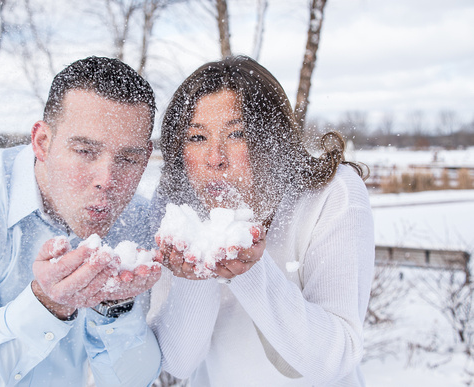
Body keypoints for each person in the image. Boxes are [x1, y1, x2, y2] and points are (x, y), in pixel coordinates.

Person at [0, 56, 162, 386]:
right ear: (42, 143)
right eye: (85, 151)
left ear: (146, 157)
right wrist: (47, 306)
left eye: (128, 158)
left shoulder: (135, 219)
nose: (107, 179)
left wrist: (115, 307)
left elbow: (131, 381)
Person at [148, 56, 375, 386]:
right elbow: (181, 362)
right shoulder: (178, 209)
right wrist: (194, 277)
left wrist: (249, 270)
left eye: (236, 134)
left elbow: (332, 360)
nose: (215, 158)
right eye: (197, 137)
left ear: (272, 137)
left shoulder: (329, 194)